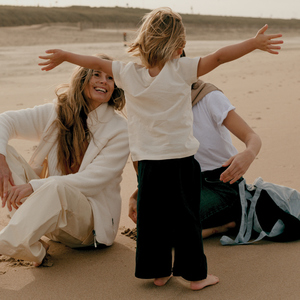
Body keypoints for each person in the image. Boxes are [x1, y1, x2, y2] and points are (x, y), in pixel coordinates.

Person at [38, 7, 282, 290]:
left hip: (148, 166)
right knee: (186, 218)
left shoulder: (128, 74)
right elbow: (218, 57)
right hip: (180, 162)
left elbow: (95, 61)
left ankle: (158, 273)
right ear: (178, 48)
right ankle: (196, 277)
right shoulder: (181, 71)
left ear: (142, 42)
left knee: (152, 221)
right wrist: (253, 44)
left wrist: (66, 55)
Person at [129, 79, 300, 244]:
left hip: (221, 184)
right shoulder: (156, 107)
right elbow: (151, 160)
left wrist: (248, 154)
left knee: (160, 231)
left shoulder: (208, 96)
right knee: (148, 219)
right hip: (184, 184)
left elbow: (251, 136)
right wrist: (137, 196)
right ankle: (219, 223)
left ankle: (220, 226)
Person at [0, 54, 129, 267]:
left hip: (87, 229)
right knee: (3, 150)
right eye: (96, 74)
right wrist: (2, 162)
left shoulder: (119, 129)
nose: (103, 81)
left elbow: (92, 181)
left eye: (110, 78)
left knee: (56, 187)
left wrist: (35, 186)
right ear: (82, 78)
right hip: (49, 218)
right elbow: (5, 120)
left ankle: (9, 240)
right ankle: (25, 241)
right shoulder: (57, 112)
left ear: (116, 87)